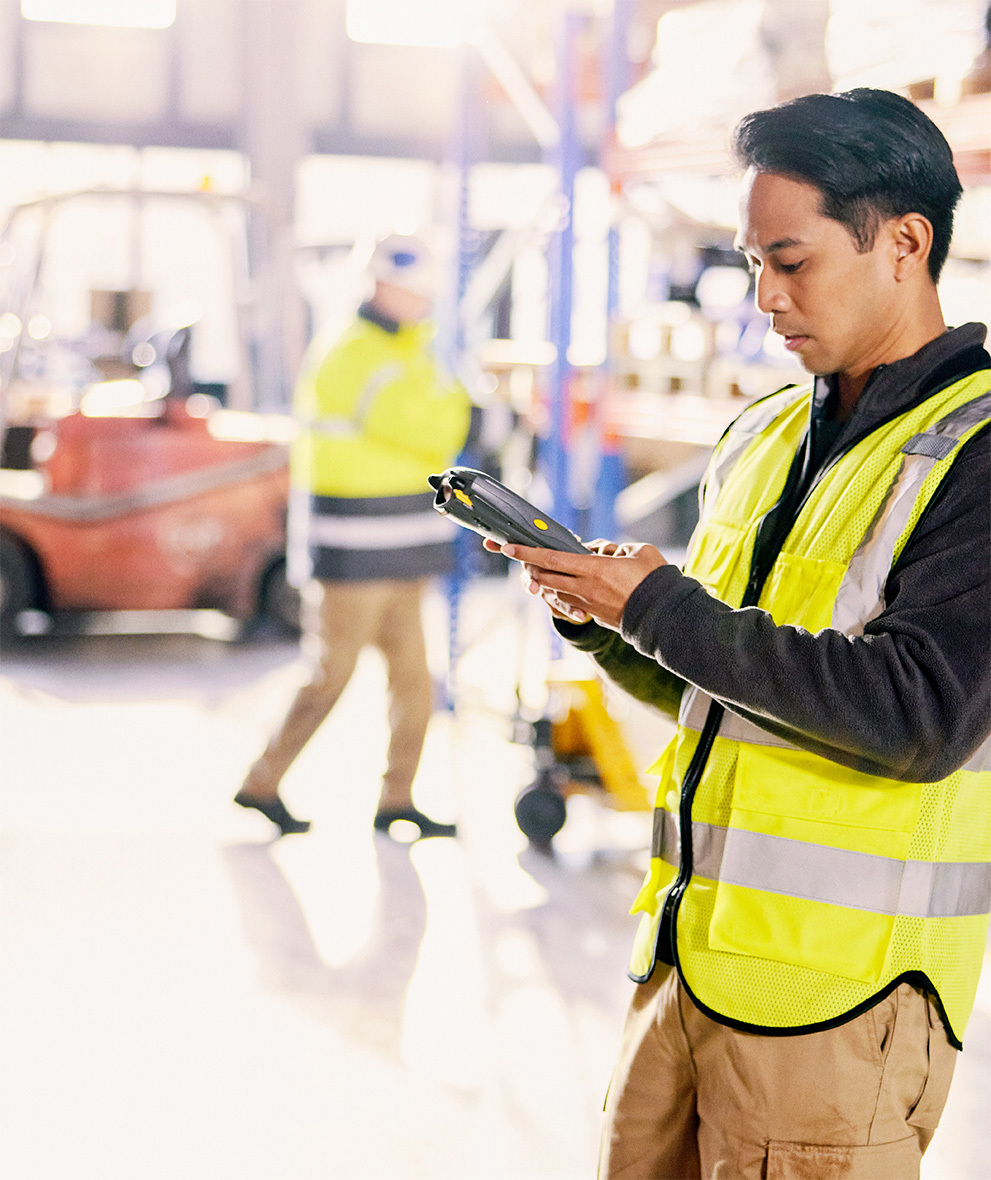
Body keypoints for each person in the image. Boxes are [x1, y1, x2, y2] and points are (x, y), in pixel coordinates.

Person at [491, 89, 991, 1176]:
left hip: (836, 1006)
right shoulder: (765, 432)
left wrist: (665, 608)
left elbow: (916, 714)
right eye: (747, 260)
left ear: (904, 243)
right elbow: (732, 688)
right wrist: (612, 621)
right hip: (682, 968)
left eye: (790, 259)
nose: (760, 295)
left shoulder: (976, 451)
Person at [236, 233, 471, 839]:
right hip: (355, 550)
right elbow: (433, 427)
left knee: (414, 681)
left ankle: (398, 800)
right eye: (415, 293)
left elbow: (435, 418)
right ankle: (262, 782)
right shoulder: (353, 353)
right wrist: (458, 401)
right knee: (330, 676)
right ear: (384, 287)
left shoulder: (405, 350)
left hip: (401, 544)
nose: (423, 305)